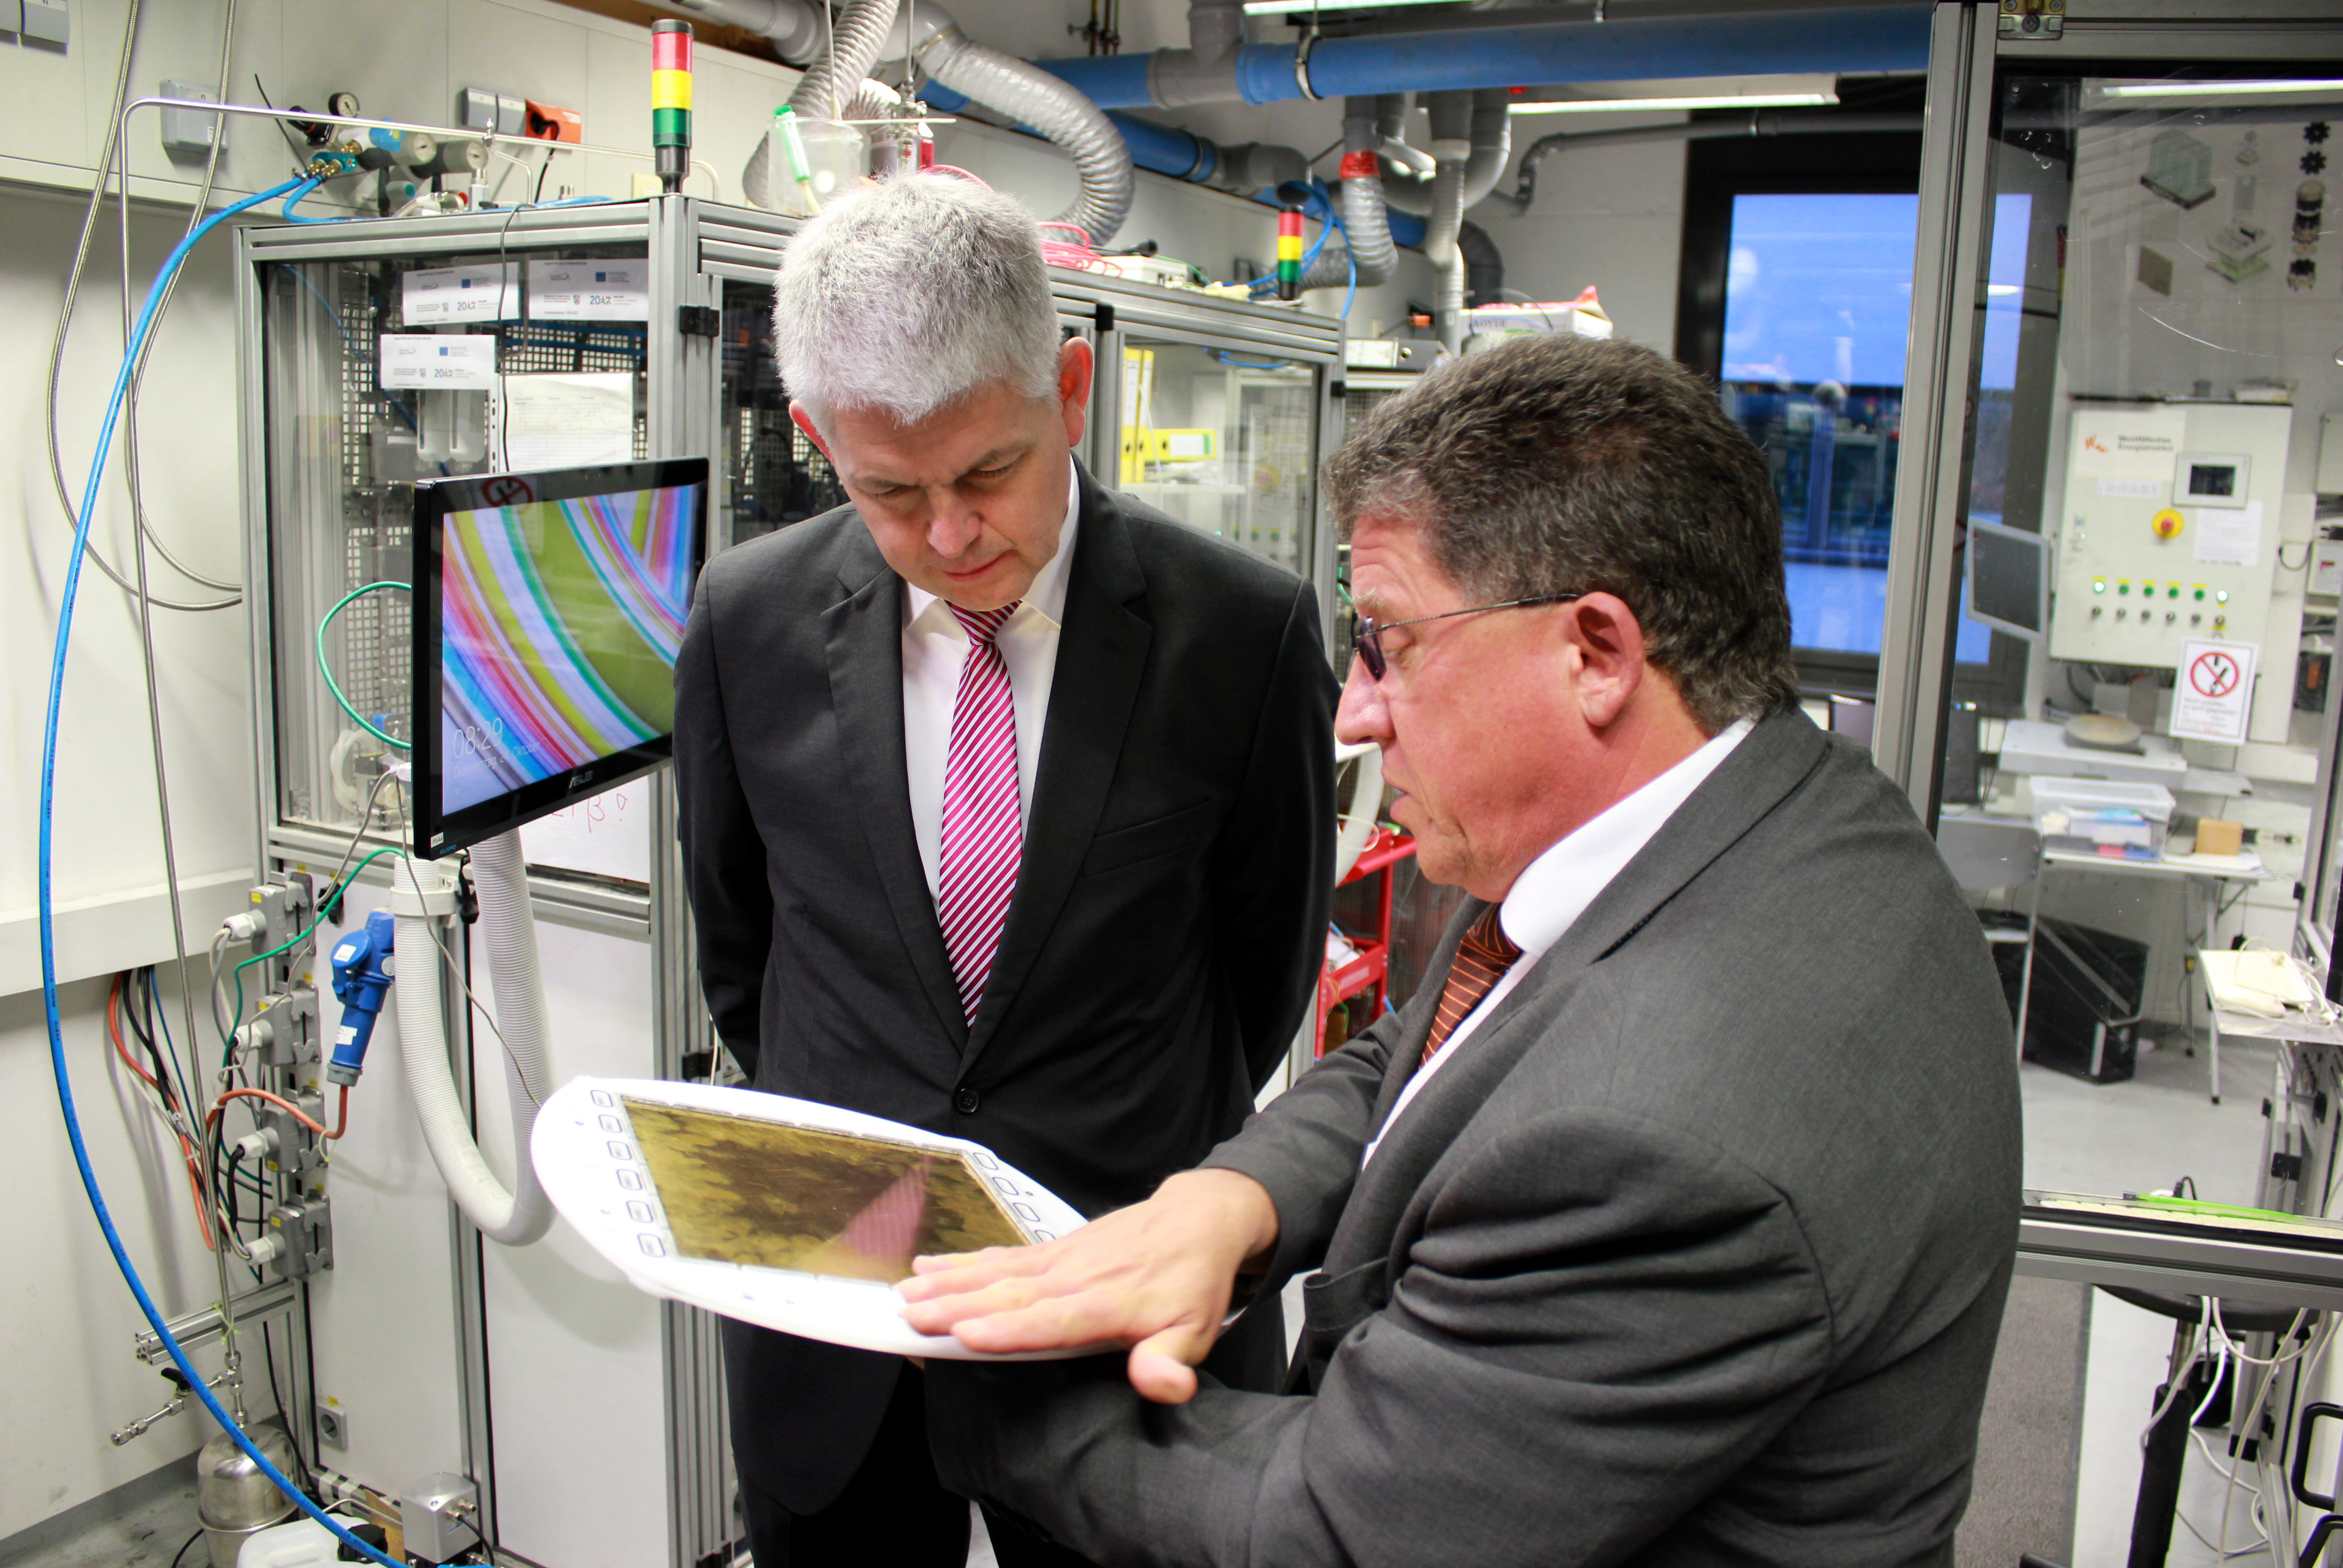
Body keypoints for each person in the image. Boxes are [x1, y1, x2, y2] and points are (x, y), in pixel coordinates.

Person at [902, 333, 2025, 1568]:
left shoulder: (1660, 1143)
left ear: (1595, 654)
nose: (1355, 709)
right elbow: (1422, 1054)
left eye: (1390, 641)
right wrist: (1234, 1201)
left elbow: (1335, 1534)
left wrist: (960, 1356)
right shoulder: (1763, 823)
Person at [672, 172, 1338, 1567]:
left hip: (1122, 1315)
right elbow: (745, 955)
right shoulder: (748, 621)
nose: (952, 537)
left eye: (988, 472)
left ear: (1073, 389)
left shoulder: (1242, 634)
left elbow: (1258, 979)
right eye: (888, 494)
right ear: (814, 440)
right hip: (840, 1316)